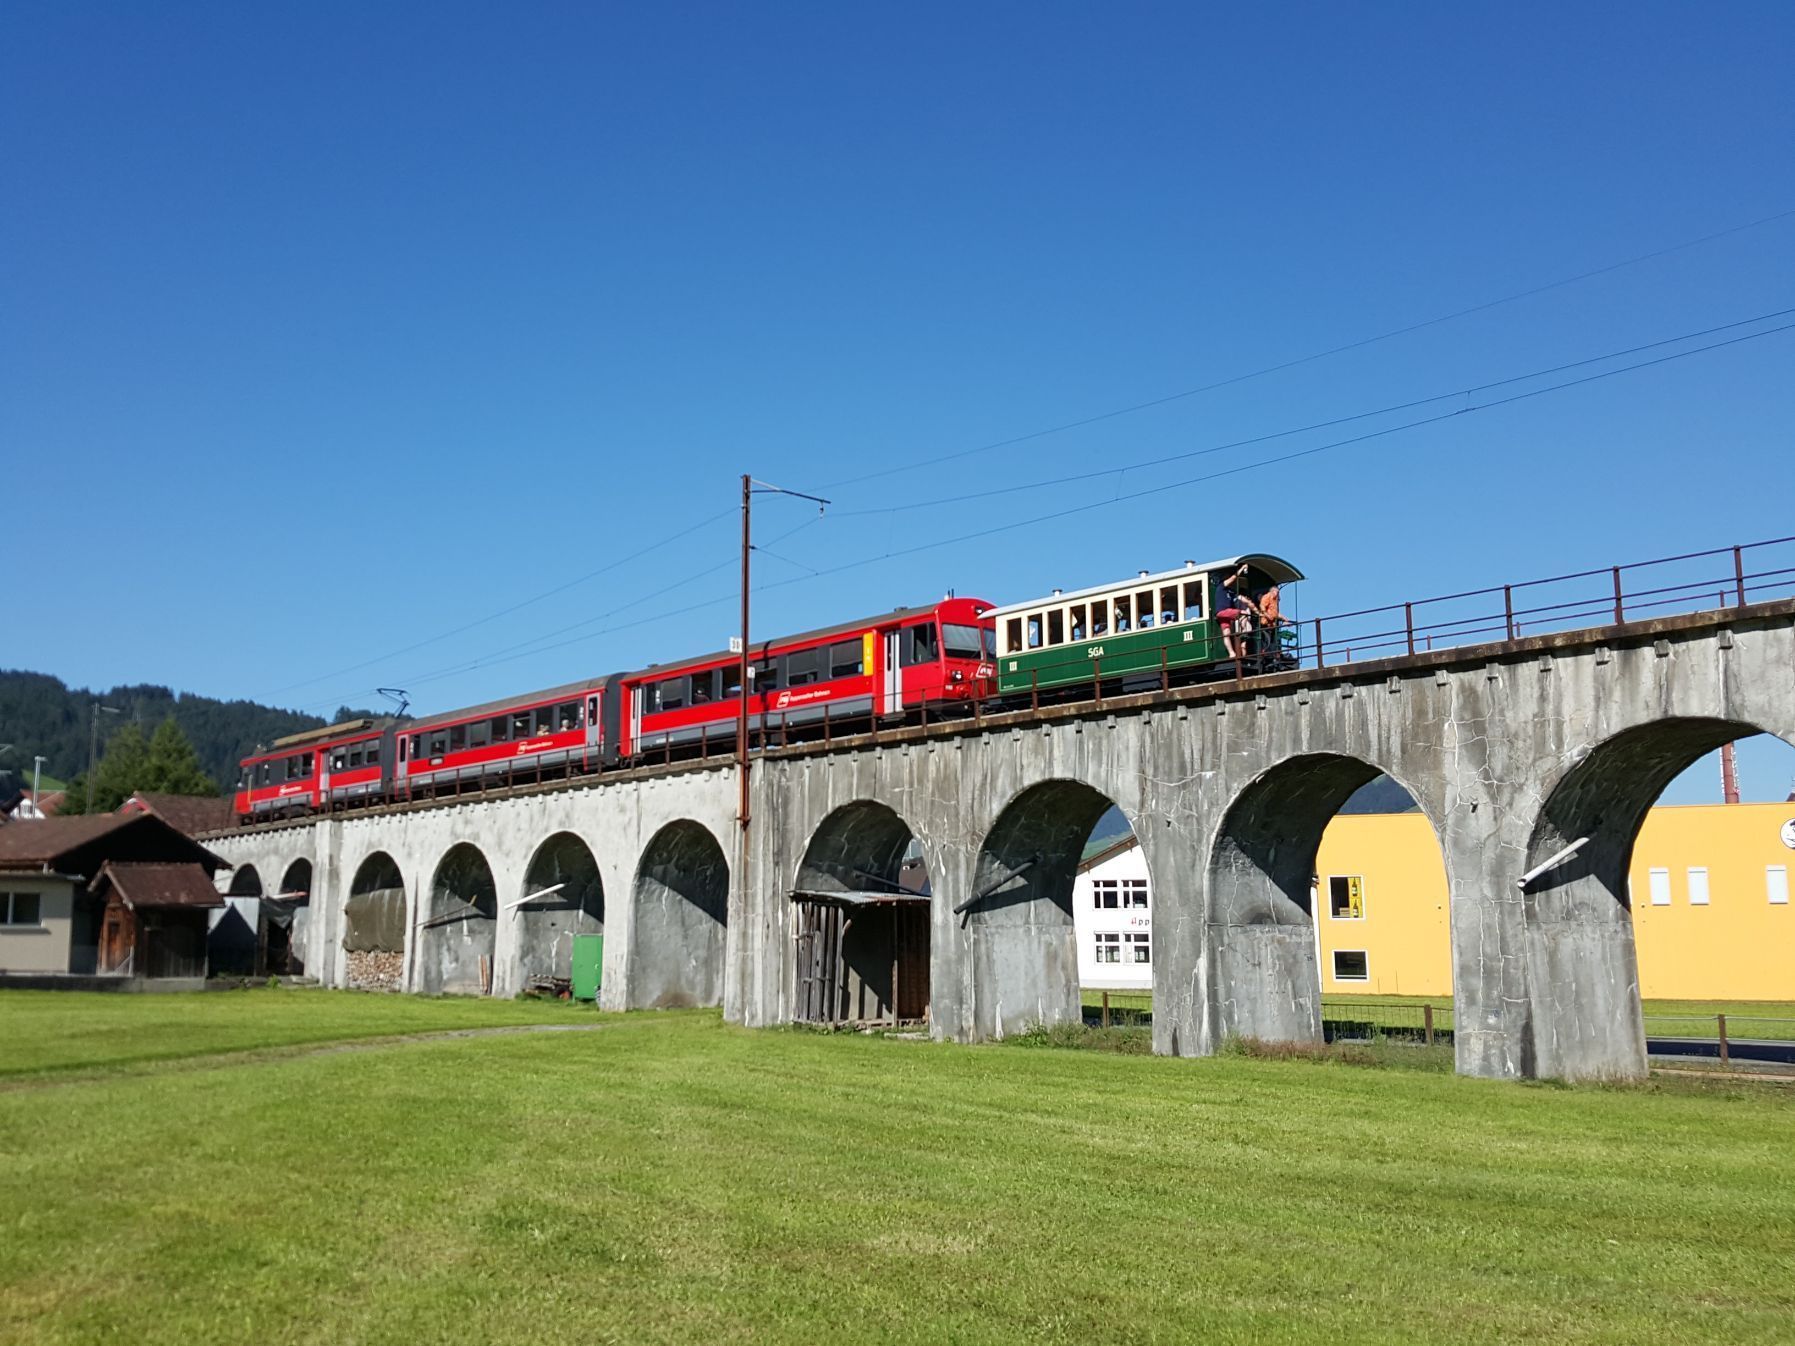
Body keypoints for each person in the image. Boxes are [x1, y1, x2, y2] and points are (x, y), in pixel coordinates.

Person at [1213, 565, 1256, 662]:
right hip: (1223, 611)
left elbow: (1237, 598)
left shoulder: (1230, 592)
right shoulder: (1221, 586)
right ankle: (1243, 631)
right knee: (1244, 613)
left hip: (1224, 614)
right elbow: (1233, 578)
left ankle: (1231, 653)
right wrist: (1241, 569)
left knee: (1226, 633)